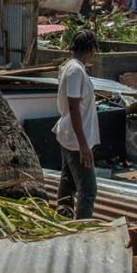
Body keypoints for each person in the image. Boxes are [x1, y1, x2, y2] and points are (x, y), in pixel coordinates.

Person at [53, 30, 101, 218]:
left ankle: (62, 219)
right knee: (88, 190)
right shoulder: (75, 71)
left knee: (68, 183)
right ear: (89, 49)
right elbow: (73, 108)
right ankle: (82, 230)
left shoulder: (72, 67)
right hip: (75, 140)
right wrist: (83, 145)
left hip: (71, 136)